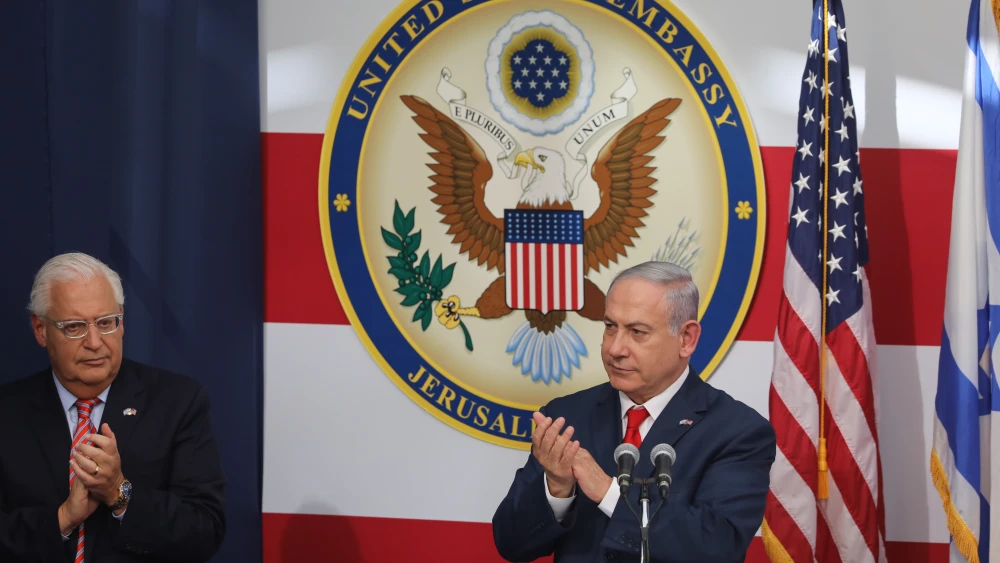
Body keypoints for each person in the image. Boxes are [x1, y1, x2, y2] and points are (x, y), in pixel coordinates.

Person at [492, 261, 776, 563]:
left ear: (686, 339)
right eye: (610, 327)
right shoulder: (566, 416)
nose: (615, 349)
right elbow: (512, 544)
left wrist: (608, 492)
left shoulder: (738, 431)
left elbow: (718, 547)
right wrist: (557, 490)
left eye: (637, 332)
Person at [0, 252, 225, 562]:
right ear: (41, 329)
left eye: (106, 323)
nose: (95, 342)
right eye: (75, 327)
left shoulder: (178, 402)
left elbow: (205, 531)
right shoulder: (7, 412)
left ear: (122, 322)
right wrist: (63, 518)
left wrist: (120, 493)